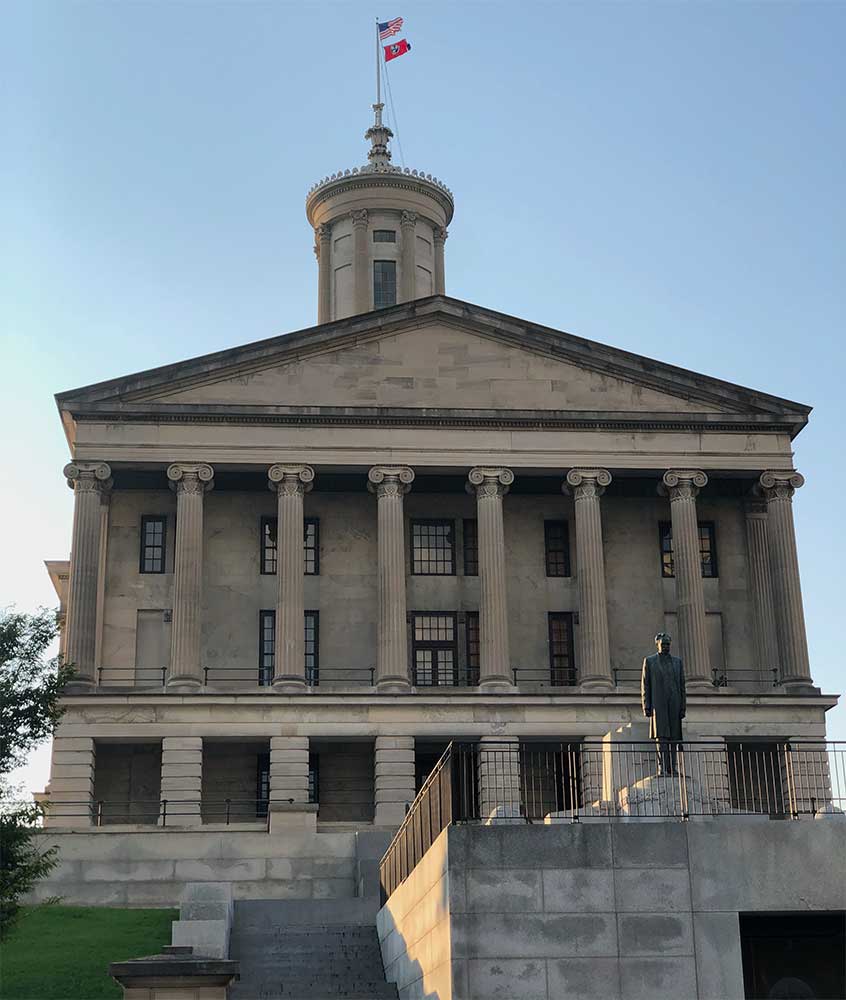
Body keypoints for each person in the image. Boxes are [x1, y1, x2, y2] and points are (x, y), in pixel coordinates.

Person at [641, 633, 686, 775]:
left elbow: (682, 686)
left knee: (673, 736)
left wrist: (682, 706)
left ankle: (672, 767)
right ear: (657, 644)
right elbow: (645, 685)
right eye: (663, 644)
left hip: (674, 702)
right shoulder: (650, 661)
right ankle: (662, 767)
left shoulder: (677, 662)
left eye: (668, 644)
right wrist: (646, 705)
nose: (666, 647)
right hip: (658, 704)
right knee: (661, 736)